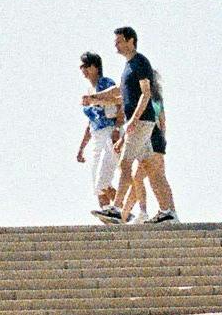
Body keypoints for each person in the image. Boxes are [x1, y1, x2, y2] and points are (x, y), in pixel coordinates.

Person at [113, 24, 177, 222]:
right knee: (151, 168)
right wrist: (96, 98)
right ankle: (168, 212)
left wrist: (133, 119)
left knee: (125, 163)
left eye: (119, 41)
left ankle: (115, 209)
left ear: (131, 41)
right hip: (141, 122)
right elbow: (120, 94)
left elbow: (146, 93)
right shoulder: (128, 67)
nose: (116, 46)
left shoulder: (140, 62)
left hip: (141, 121)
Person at [75, 51, 124, 222]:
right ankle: (110, 214)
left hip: (109, 132)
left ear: (95, 67)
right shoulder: (89, 90)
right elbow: (90, 123)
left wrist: (117, 129)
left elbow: (120, 104)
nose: (84, 70)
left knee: (103, 178)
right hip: (96, 136)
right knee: (97, 182)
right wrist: (82, 148)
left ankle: (122, 211)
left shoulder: (106, 84)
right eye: (82, 67)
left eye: (86, 66)